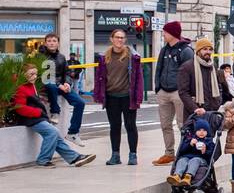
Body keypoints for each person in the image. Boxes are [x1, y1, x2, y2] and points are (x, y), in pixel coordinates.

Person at [13, 63, 95, 168]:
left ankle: (74, 158)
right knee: (53, 132)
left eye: (35, 74)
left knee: (56, 137)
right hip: (30, 119)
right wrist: (38, 112)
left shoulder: (32, 85)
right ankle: (43, 160)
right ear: (23, 74)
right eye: (31, 74)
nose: (34, 76)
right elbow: (20, 108)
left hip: (38, 117)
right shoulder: (21, 88)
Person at [93, 27, 144, 165]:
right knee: (114, 126)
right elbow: (99, 77)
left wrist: (138, 96)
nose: (119, 40)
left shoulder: (132, 57)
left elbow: (138, 78)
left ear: (125, 40)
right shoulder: (104, 57)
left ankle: (133, 154)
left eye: (122, 38)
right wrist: (98, 94)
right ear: (111, 39)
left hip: (127, 96)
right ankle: (115, 155)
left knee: (130, 125)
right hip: (111, 97)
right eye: (117, 37)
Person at [152, 21, 193, 165]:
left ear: (172, 33)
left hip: (179, 93)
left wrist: (185, 91)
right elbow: (159, 69)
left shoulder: (186, 51)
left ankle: (183, 152)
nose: (163, 34)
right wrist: (158, 88)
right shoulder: (164, 50)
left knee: (183, 125)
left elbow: (190, 72)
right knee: (165, 125)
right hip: (164, 91)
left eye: (165, 32)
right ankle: (169, 153)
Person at [38, 33, 85, 146]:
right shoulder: (41, 57)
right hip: (47, 85)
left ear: (58, 43)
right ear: (45, 43)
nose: (51, 43)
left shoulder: (62, 57)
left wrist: (68, 84)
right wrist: (59, 85)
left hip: (62, 86)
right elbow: (45, 75)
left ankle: (73, 133)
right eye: (49, 41)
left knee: (80, 103)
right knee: (50, 84)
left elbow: (67, 73)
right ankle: (55, 112)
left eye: (54, 41)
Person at [179, 38, 229, 120]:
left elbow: (219, 85)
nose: (208, 52)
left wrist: (218, 102)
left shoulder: (212, 65)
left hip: (211, 112)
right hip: (195, 113)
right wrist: (195, 108)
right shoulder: (187, 67)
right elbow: (183, 92)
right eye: (205, 49)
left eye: (210, 49)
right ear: (198, 51)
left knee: (211, 133)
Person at [167, 117, 213, 187]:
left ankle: (188, 177)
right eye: (199, 130)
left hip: (201, 159)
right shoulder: (190, 139)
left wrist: (205, 151)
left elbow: (211, 153)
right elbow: (181, 150)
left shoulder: (209, 141)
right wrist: (190, 144)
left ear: (207, 132)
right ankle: (177, 176)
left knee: (195, 160)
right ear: (195, 131)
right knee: (182, 160)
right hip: (187, 157)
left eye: (204, 130)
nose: (201, 132)